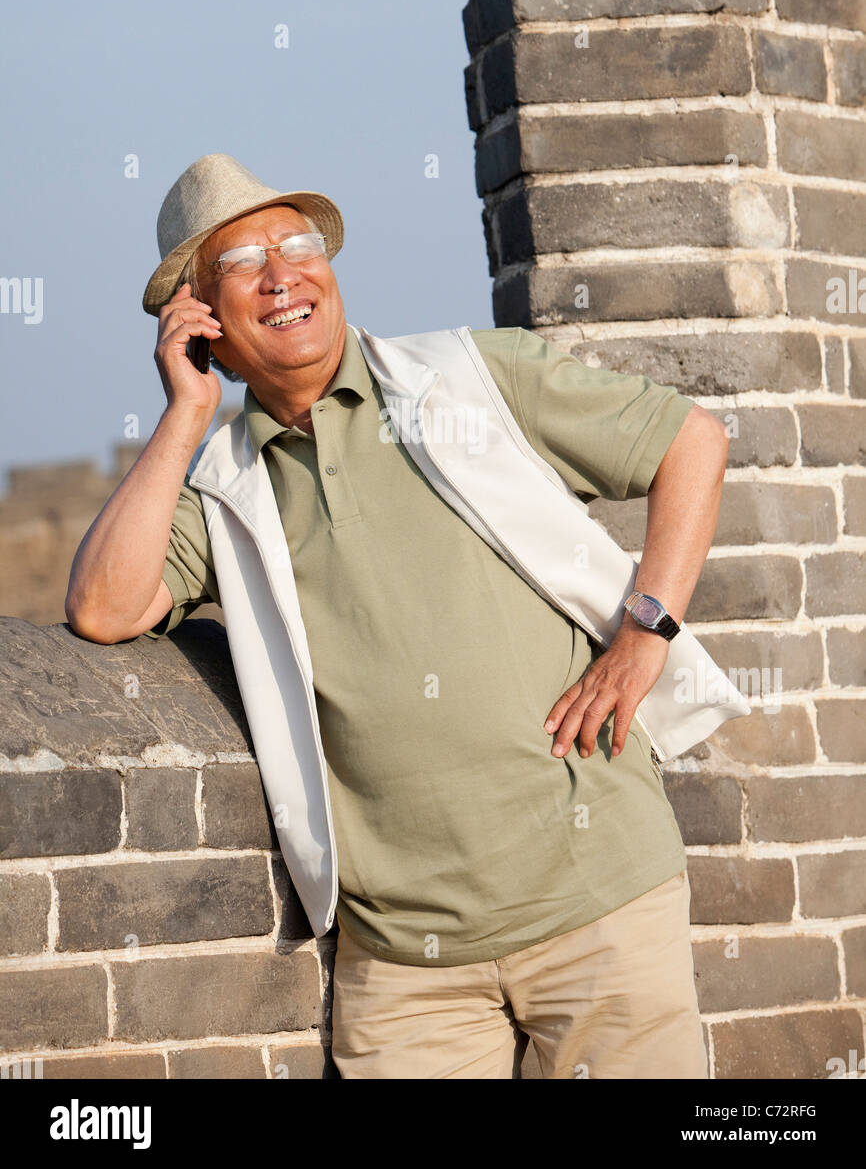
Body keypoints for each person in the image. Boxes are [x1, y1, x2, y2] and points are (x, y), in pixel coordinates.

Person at [66, 152, 733, 1080]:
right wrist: (185, 414)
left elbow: (689, 442)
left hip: (603, 903)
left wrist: (642, 634)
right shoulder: (221, 488)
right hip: (404, 967)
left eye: (295, 243)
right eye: (242, 261)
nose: (282, 273)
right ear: (202, 317)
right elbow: (102, 608)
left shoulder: (470, 377)